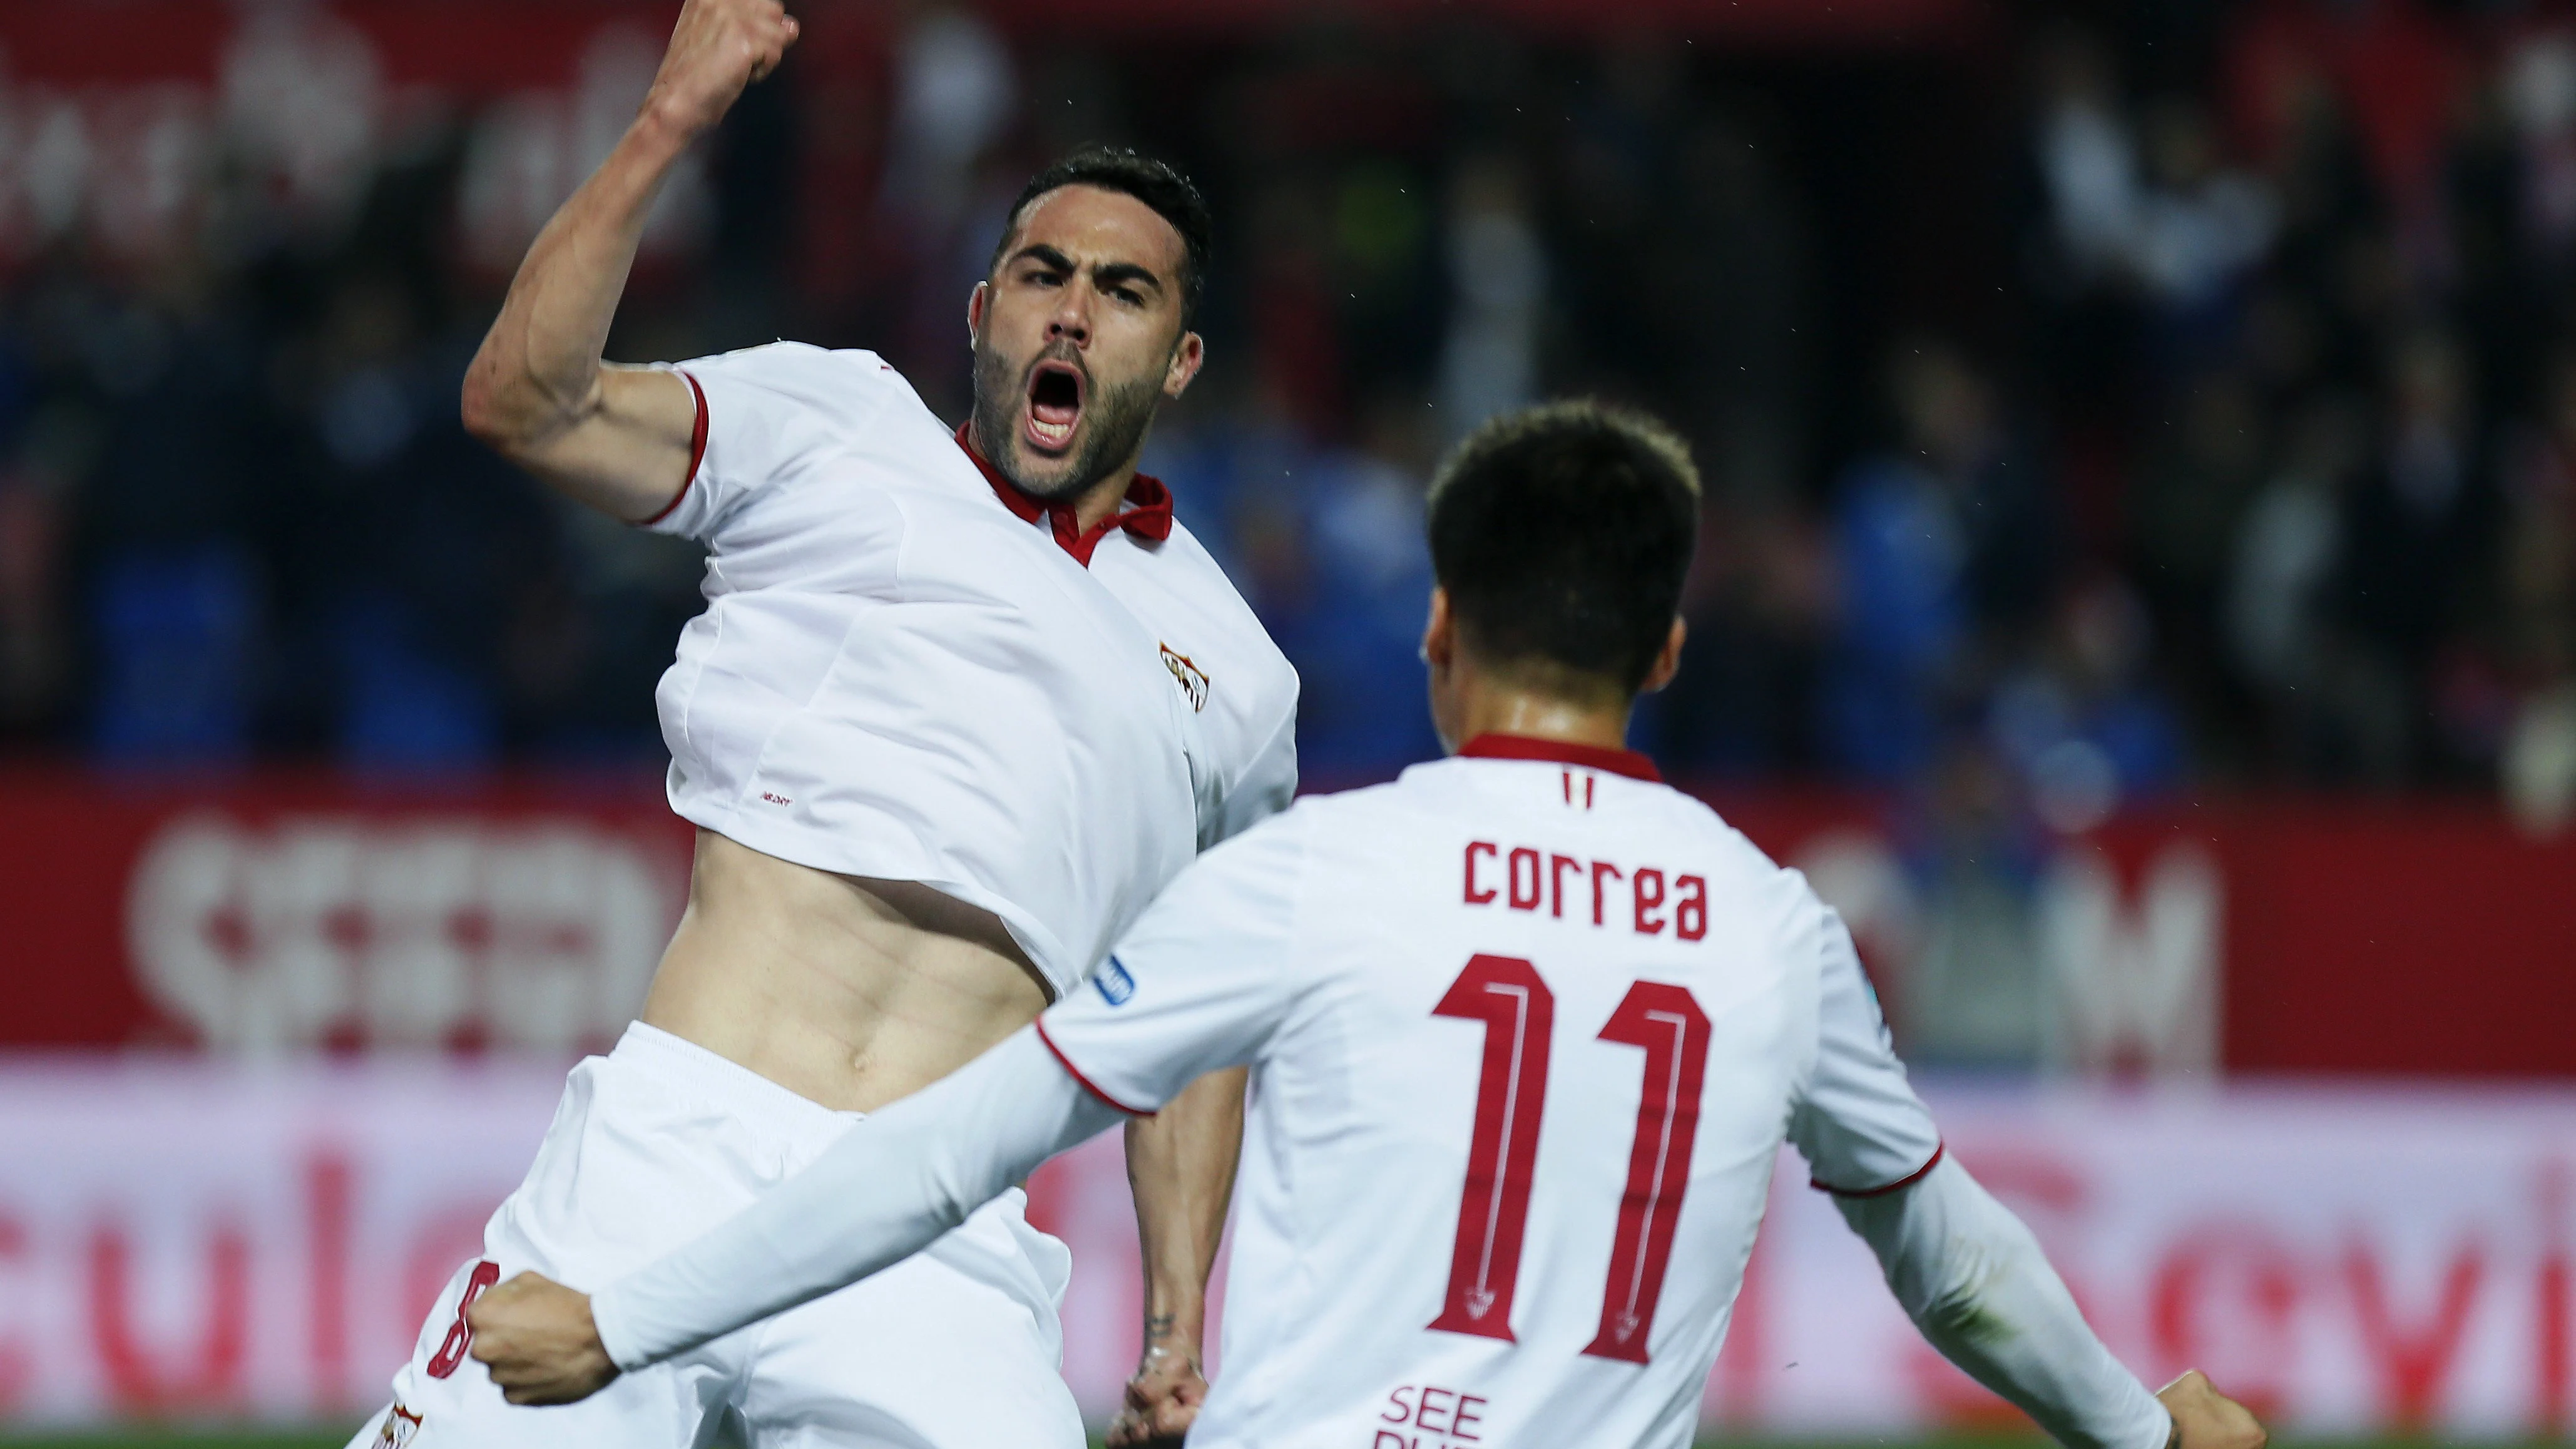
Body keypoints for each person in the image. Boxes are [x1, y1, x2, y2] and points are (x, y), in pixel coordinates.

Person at [461, 402, 2269, 1449]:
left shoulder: (1315, 877)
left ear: (1432, 631)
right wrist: (2139, 1428)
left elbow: (947, 1150)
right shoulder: (1772, 933)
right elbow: (1945, 1251)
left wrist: (624, 1317)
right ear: (1662, 656)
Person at [350, 1, 1298, 1445]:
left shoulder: (1238, 675)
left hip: (936, 1240)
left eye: (1123, 291)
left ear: (1178, 363)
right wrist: (672, 118)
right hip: (677, 1149)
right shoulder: (836, 422)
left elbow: (1199, 1024)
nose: (1072, 308)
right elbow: (524, 404)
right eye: (1041, 272)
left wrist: (1177, 1327)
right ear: (981, 315)